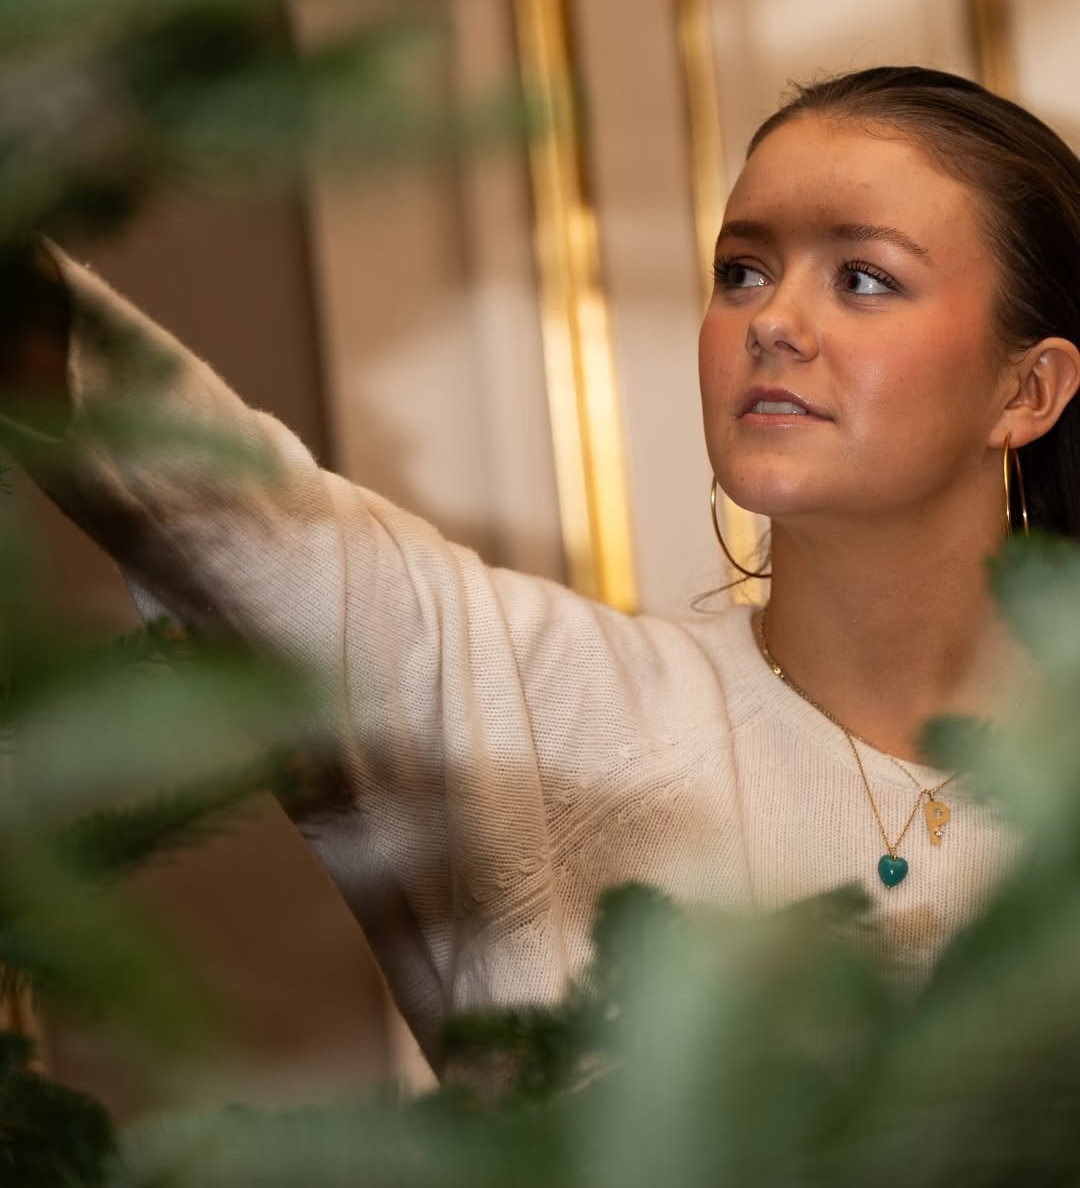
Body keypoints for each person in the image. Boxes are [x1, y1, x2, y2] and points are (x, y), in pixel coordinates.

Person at [2, 64, 1077, 1074]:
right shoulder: (530, 707)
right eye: (741, 272)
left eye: (864, 277)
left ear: (1027, 391)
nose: (774, 324)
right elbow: (196, 482)